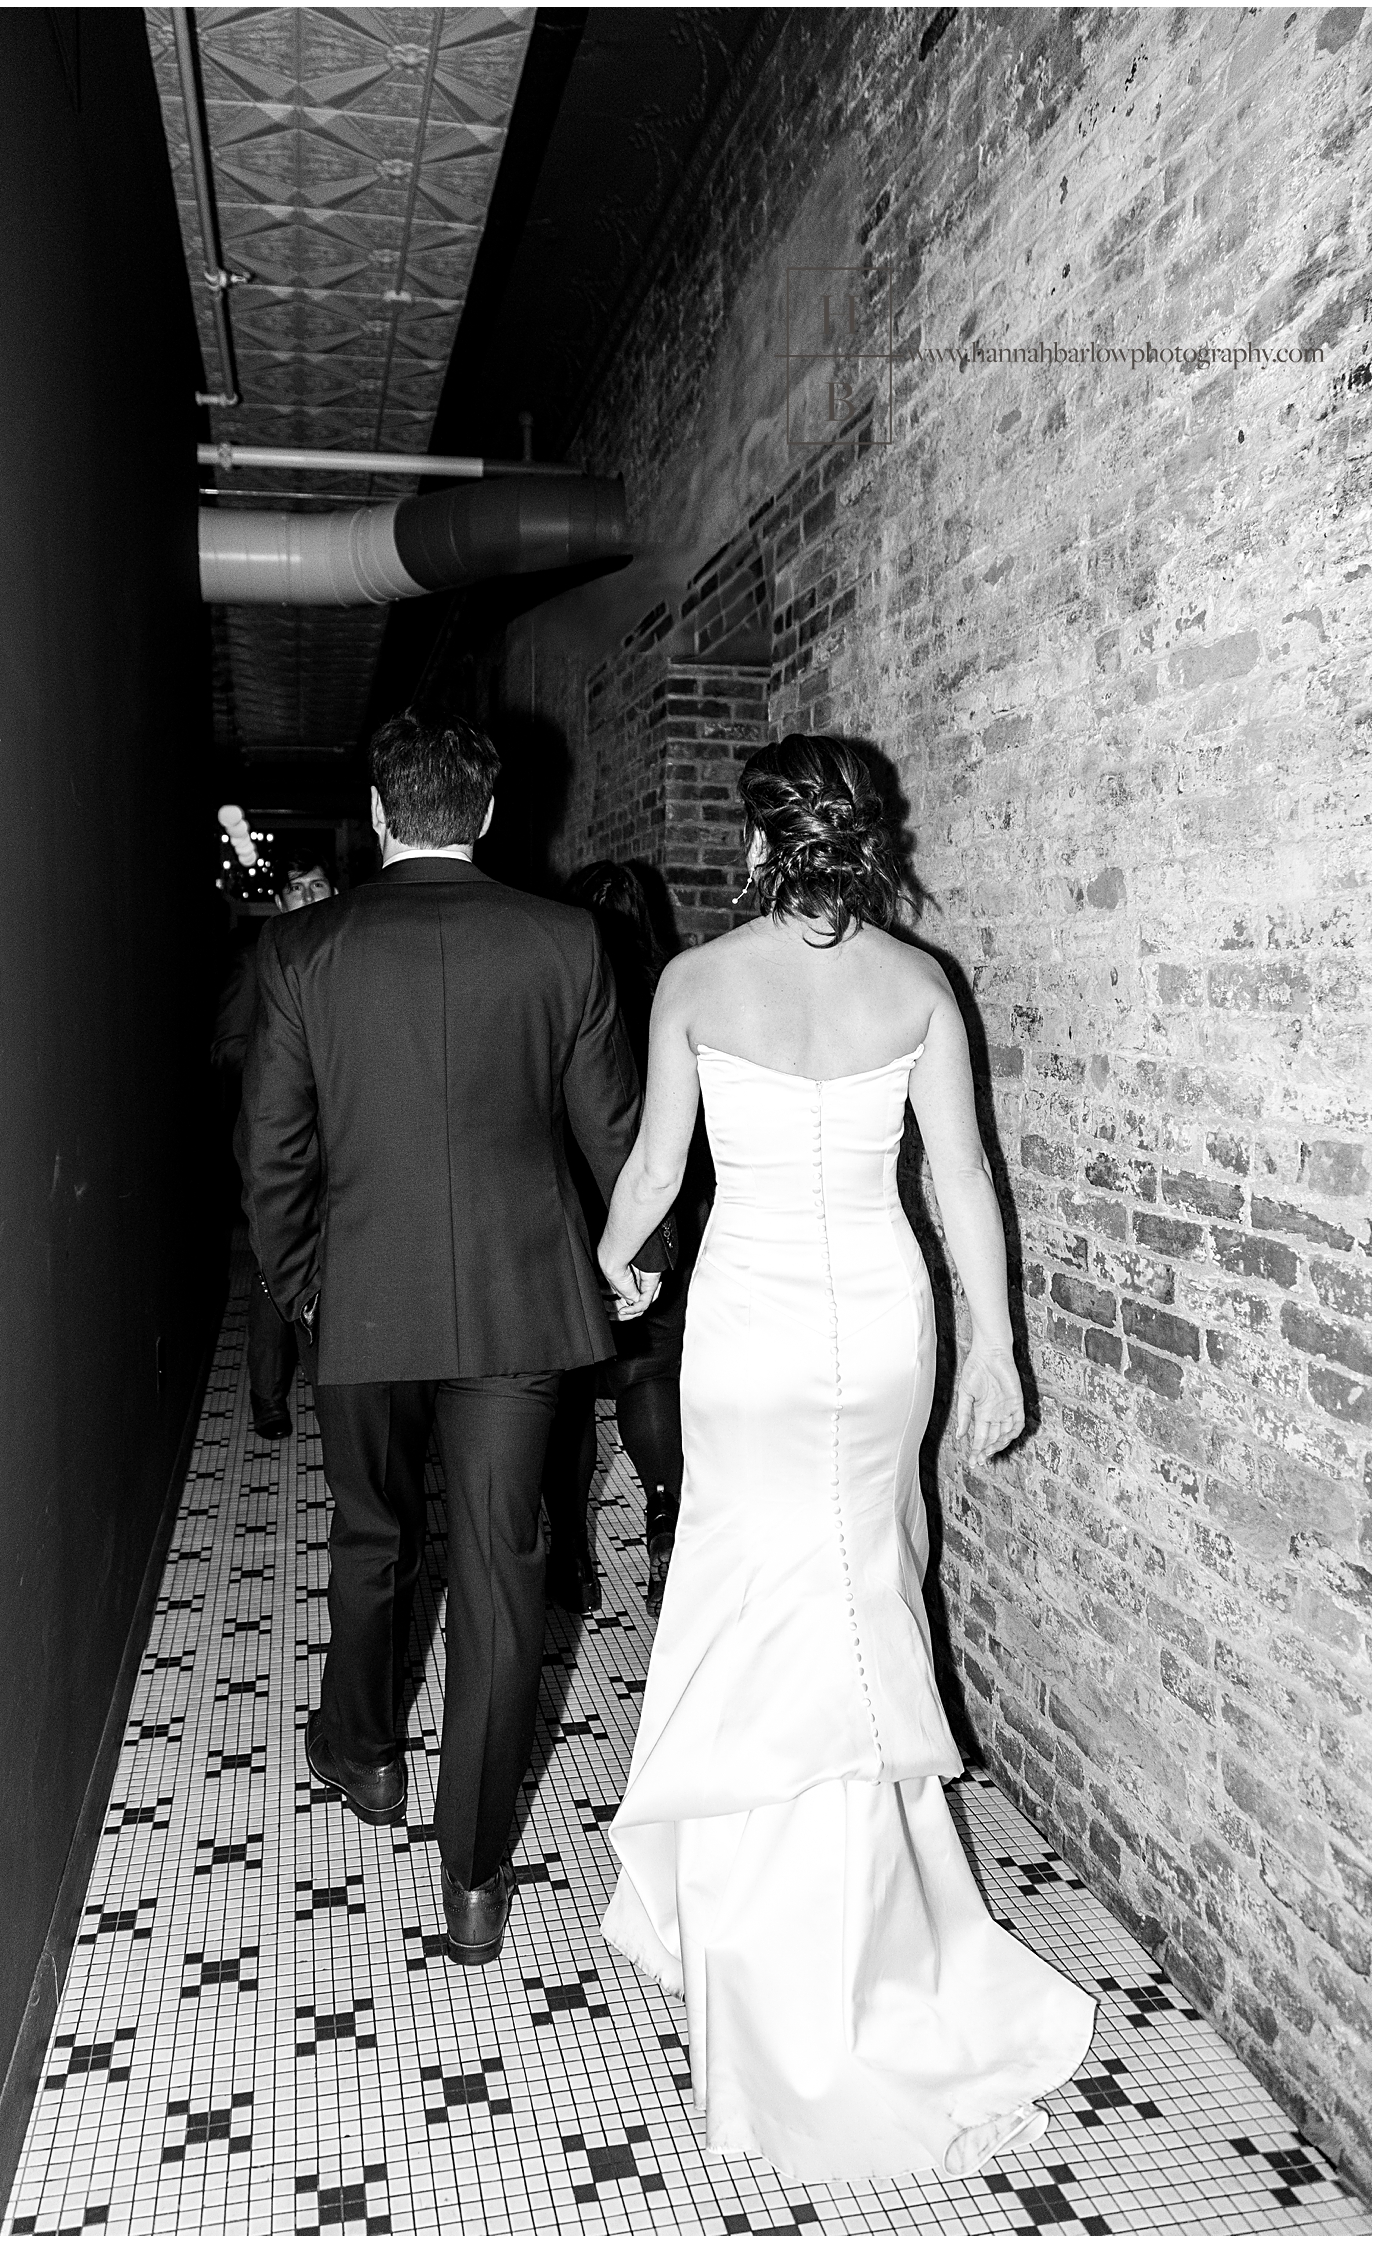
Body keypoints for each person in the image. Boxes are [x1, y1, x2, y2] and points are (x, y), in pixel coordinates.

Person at [594, 734, 1096, 2181]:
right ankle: (871, 1917)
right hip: (883, 1327)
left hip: (747, 1329)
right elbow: (962, 1180)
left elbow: (652, 1173)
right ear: (863, 842)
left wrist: (619, 1262)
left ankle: (765, 1920)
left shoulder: (695, 981)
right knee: (864, 1582)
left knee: (756, 1593)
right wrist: (995, 1346)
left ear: (757, 845)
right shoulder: (917, 985)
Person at [238, 713, 669, 1966]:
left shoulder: (302, 947)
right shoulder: (563, 939)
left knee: (374, 1531)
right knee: (500, 1571)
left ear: (380, 815)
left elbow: (272, 1150)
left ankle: (365, 1750)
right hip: (516, 1301)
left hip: (360, 1300)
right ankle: (474, 1870)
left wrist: (303, 1282)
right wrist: (634, 1263)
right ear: (484, 815)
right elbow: (617, 1132)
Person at [540, 862, 712, 1617]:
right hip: (661, 1213)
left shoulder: (564, 991)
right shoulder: (672, 991)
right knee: (650, 1374)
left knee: (570, 1389)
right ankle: (667, 1517)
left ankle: (572, 1555)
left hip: (570, 1209)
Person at [213, 852, 336, 1439]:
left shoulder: (349, 953)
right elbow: (228, 1047)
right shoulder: (254, 959)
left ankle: (336, 1379)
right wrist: (284, 1067)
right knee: (274, 1261)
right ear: (279, 903)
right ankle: (268, 1393)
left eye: (319, 886)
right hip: (276, 1140)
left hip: (341, 1140)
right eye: (298, 891)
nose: (310, 899)